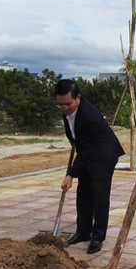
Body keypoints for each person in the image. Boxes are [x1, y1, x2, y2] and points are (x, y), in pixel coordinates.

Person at [55, 79, 125, 254]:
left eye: (68, 104)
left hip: (103, 154)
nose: (64, 109)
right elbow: (78, 139)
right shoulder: (67, 109)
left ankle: (98, 236)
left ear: (78, 98)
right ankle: (83, 232)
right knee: (84, 193)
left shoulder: (89, 116)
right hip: (87, 151)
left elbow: (85, 151)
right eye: (60, 105)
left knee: (98, 194)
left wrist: (71, 175)